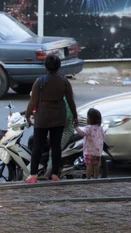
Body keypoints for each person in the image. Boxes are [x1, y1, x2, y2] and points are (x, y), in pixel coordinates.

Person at [25, 54, 78, 183]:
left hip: (42, 118)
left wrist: (27, 115)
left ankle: (33, 175)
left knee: (37, 146)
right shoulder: (64, 81)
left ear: (46, 66)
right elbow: (71, 101)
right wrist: (75, 116)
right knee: (56, 147)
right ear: (59, 66)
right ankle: (55, 174)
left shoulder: (40, 81)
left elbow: (33, 102)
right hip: (59, 117)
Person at [44, 97, 76, 179]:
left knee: (54, 148)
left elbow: (66, 121)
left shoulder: (65, 100)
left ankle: (49, 171)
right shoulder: (50, 98)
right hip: (54, 127)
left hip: (65, 129)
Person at [75, 108, 105, 179]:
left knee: (89, 165)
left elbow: (82, 134)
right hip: (98, 151)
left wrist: (76, 127)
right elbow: (103, 135)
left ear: (90, 119)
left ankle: (88, 178)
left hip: (89, 151)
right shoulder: (100, 127)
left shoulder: (88, 128)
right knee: (96, 165)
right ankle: (96, 178)